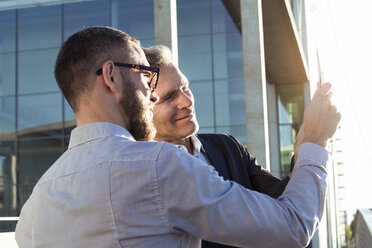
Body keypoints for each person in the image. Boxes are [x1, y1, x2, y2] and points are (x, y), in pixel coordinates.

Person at [15, 26, 341, 248]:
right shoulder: (159, 166)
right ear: (111, 76)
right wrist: (314, 137)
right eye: (144, 74)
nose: (148, 90)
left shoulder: (34, 208)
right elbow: (293, 225)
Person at [143, 45, 293, 248]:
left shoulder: (227, 147)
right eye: (169, 97)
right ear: (143, 109)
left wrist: (309, 145)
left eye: (185, 87)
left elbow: (283, 204)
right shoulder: (143, 175)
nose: (187, 101)